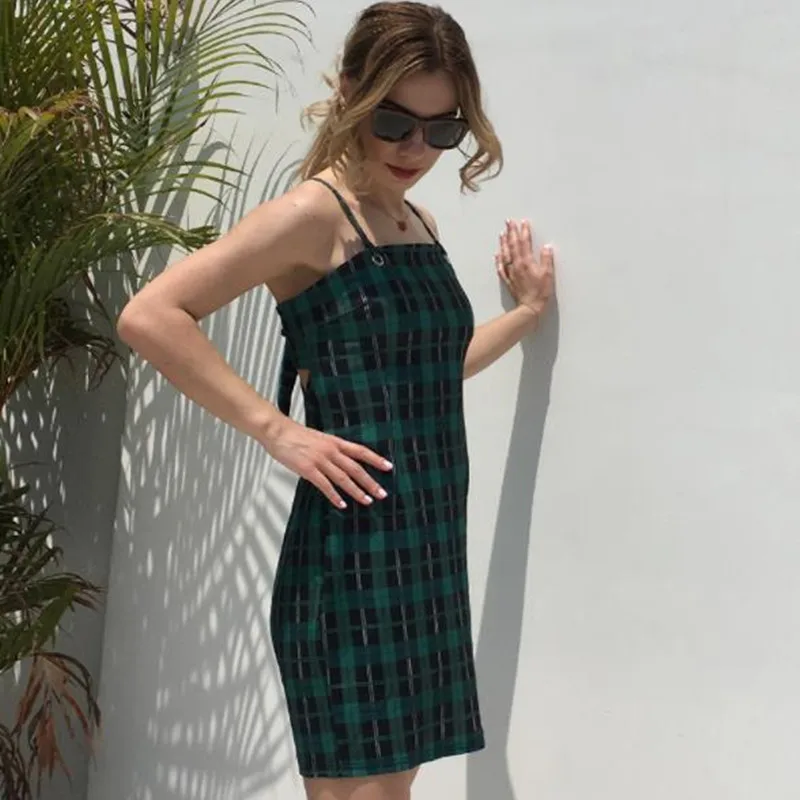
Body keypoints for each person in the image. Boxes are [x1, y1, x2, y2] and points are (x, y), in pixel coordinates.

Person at [117, 2, 555, 798]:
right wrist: (278, 430)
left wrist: (525, 315)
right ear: (352, 92)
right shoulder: (313, 216)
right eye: (395, 122)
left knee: (394, 793)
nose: (416, 149)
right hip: (351, 559)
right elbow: (151, 315)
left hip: (425, 550)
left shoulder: (415, 220)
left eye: (442, 129)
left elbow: (428, 369)